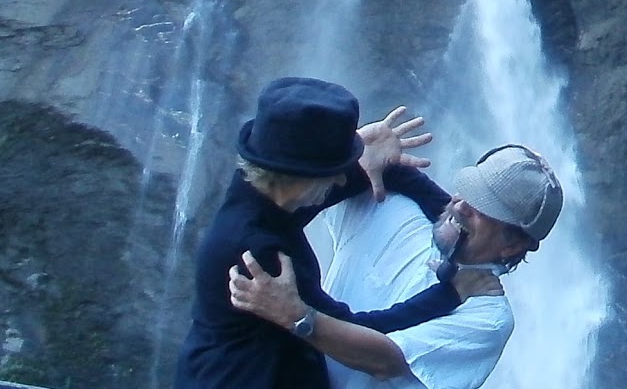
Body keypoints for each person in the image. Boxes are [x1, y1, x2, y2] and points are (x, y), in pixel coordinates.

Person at [174, 76, 469, 389]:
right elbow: (352, 331)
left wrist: (450, 216)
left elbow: (374, 173)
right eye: (333, 172)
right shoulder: (257, 252)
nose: (342, 182)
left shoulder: (260, 191)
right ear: (297, 174)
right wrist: (452, 292)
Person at [229, 142, 564, 389]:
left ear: (513, 244)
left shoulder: (488, 317)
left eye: (483, 207)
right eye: (467, 191)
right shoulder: (394, 209)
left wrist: (297, 317)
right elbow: (300, 187)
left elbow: (383, 359)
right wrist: (361, 147)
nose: (461, 206)